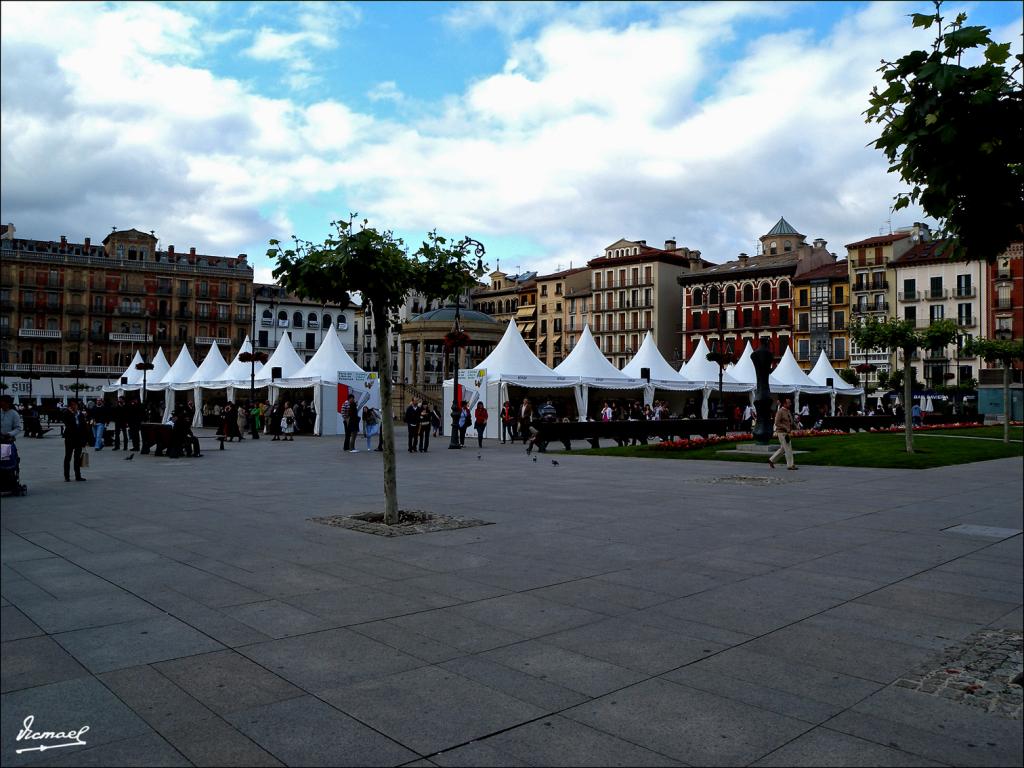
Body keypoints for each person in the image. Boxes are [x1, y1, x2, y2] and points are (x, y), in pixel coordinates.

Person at [61, 399, 90, 481]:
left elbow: (84, 426)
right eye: (73, 405)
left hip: (79, 439)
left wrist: (85, 439)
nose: (75, 406)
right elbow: (66, 422)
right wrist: (71, 413)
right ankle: (67, 477)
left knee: (77, 458)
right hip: (70, 438)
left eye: (76, 405)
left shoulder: (80, 414)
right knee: (68, 457)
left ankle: (78, 476)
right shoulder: (67, 413)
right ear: (70, 406)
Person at [768, 397, 797, 471]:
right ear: (784, 403)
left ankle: (772, 460)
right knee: (788, 448)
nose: (790, 404)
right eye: (789, 402)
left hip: (786, 433)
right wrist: (785, 427)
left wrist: (795, 425)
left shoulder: (788, 411)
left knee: (783, 449)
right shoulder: (780, 411)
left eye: (790, 402)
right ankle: (790, 465)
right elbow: (777, 423)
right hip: (782, 433)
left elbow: (791, 421)